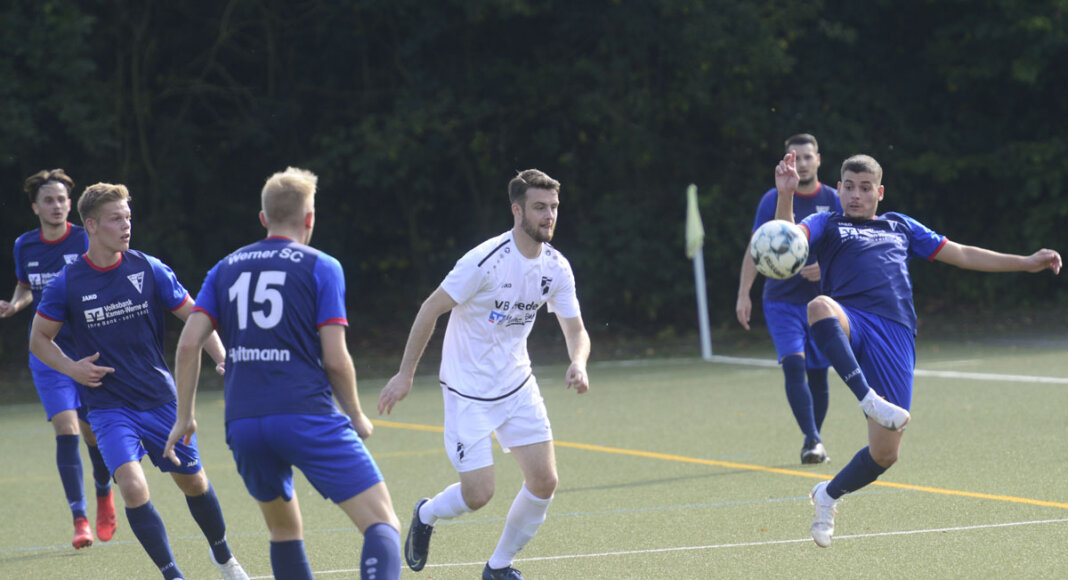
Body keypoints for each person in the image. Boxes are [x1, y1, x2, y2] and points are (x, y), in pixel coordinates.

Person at [772, 151, 1062, 548]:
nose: (856, 195)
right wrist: (785, 196)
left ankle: (827, 496)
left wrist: (1025, 262)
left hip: (895, 333)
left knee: (885, 453)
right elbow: (785, 242)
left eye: (865, 188)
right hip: (851, 319)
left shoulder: (900, 225)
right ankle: (867, 398)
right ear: (838, 190)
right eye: (849, 187)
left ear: (880, 192)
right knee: (818, 306)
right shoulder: (826, 222)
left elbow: (960, 253)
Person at [164, 167, 402, 580]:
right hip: (305, 413)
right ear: (310, 219)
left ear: (263, 219)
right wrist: (357, 414)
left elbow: (187, 345)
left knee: (283, 529)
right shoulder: (321, 266)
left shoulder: (225, 268)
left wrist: (184, 415)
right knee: (382, 523)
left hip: (244, 423)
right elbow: (335, 358)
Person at [378, 168, 591, 580]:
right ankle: (426, 514)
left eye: (554, 208)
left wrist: (578, 361)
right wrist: (404, 375)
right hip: (467, 392)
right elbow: (430, 309)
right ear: (517, 210)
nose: (549, 216)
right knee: (479, 495)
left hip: (517, 386)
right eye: (539, 207)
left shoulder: (557, 268)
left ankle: (498, 567)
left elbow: (575, 329)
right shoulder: (483, 261)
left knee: (545, 480)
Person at [29, 183, 249, 580]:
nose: (126, 225)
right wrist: (72, 368)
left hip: (161, 401)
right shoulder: (68, 282)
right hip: (109, 407)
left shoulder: (148, 268)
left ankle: (224, 557)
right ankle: (172, 575)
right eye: (117, 219)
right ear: (92, 225)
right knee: (132, 486)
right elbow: (38, 339)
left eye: (128, 217)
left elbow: (198, 316)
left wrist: (223, 356)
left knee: (193, 482)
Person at [1, 169, 116, 549]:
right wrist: (16, 304)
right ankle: (80, 519)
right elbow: (26, 285)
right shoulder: (25, 245)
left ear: (71, 204)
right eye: (48, 200)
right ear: (35, 206)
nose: (56, 206)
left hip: (87, 350)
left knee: (92, 434)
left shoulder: (87, 238)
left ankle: (103, 492)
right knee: (66, 431)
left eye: (62, 199)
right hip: (48, 354)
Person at [736, 134, 841, 464]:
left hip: (820, 302)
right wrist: (743, 294)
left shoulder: (835, 199)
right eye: (795, 157)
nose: (803, 162)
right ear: (787, 162)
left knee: (818, 373)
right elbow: (757, 248)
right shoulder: (773, 199)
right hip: (780, 301)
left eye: (808, 156)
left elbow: (847, 249)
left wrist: (823, 267)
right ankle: (812, 439)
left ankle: (814, 437)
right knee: (794, 365)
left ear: (819, 160)